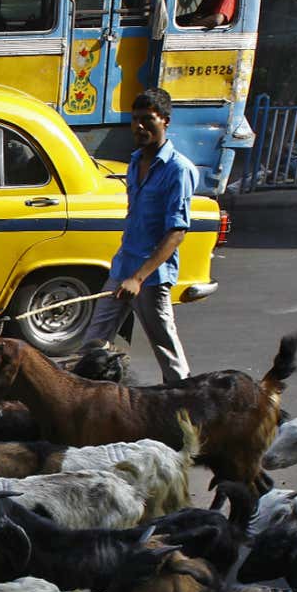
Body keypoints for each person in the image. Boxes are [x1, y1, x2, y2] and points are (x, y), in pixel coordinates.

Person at [78, 87, 194, 384]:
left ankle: (184, 401)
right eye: (135, 120)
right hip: (122, 268)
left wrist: (139, 278)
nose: (139, 127)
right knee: (92, 345)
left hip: (150, 279)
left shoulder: (178, 170)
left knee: (166, 349)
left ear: (165, 121)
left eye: (148, 120)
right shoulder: (134, 161)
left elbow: (176, 233)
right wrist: (126, 274)